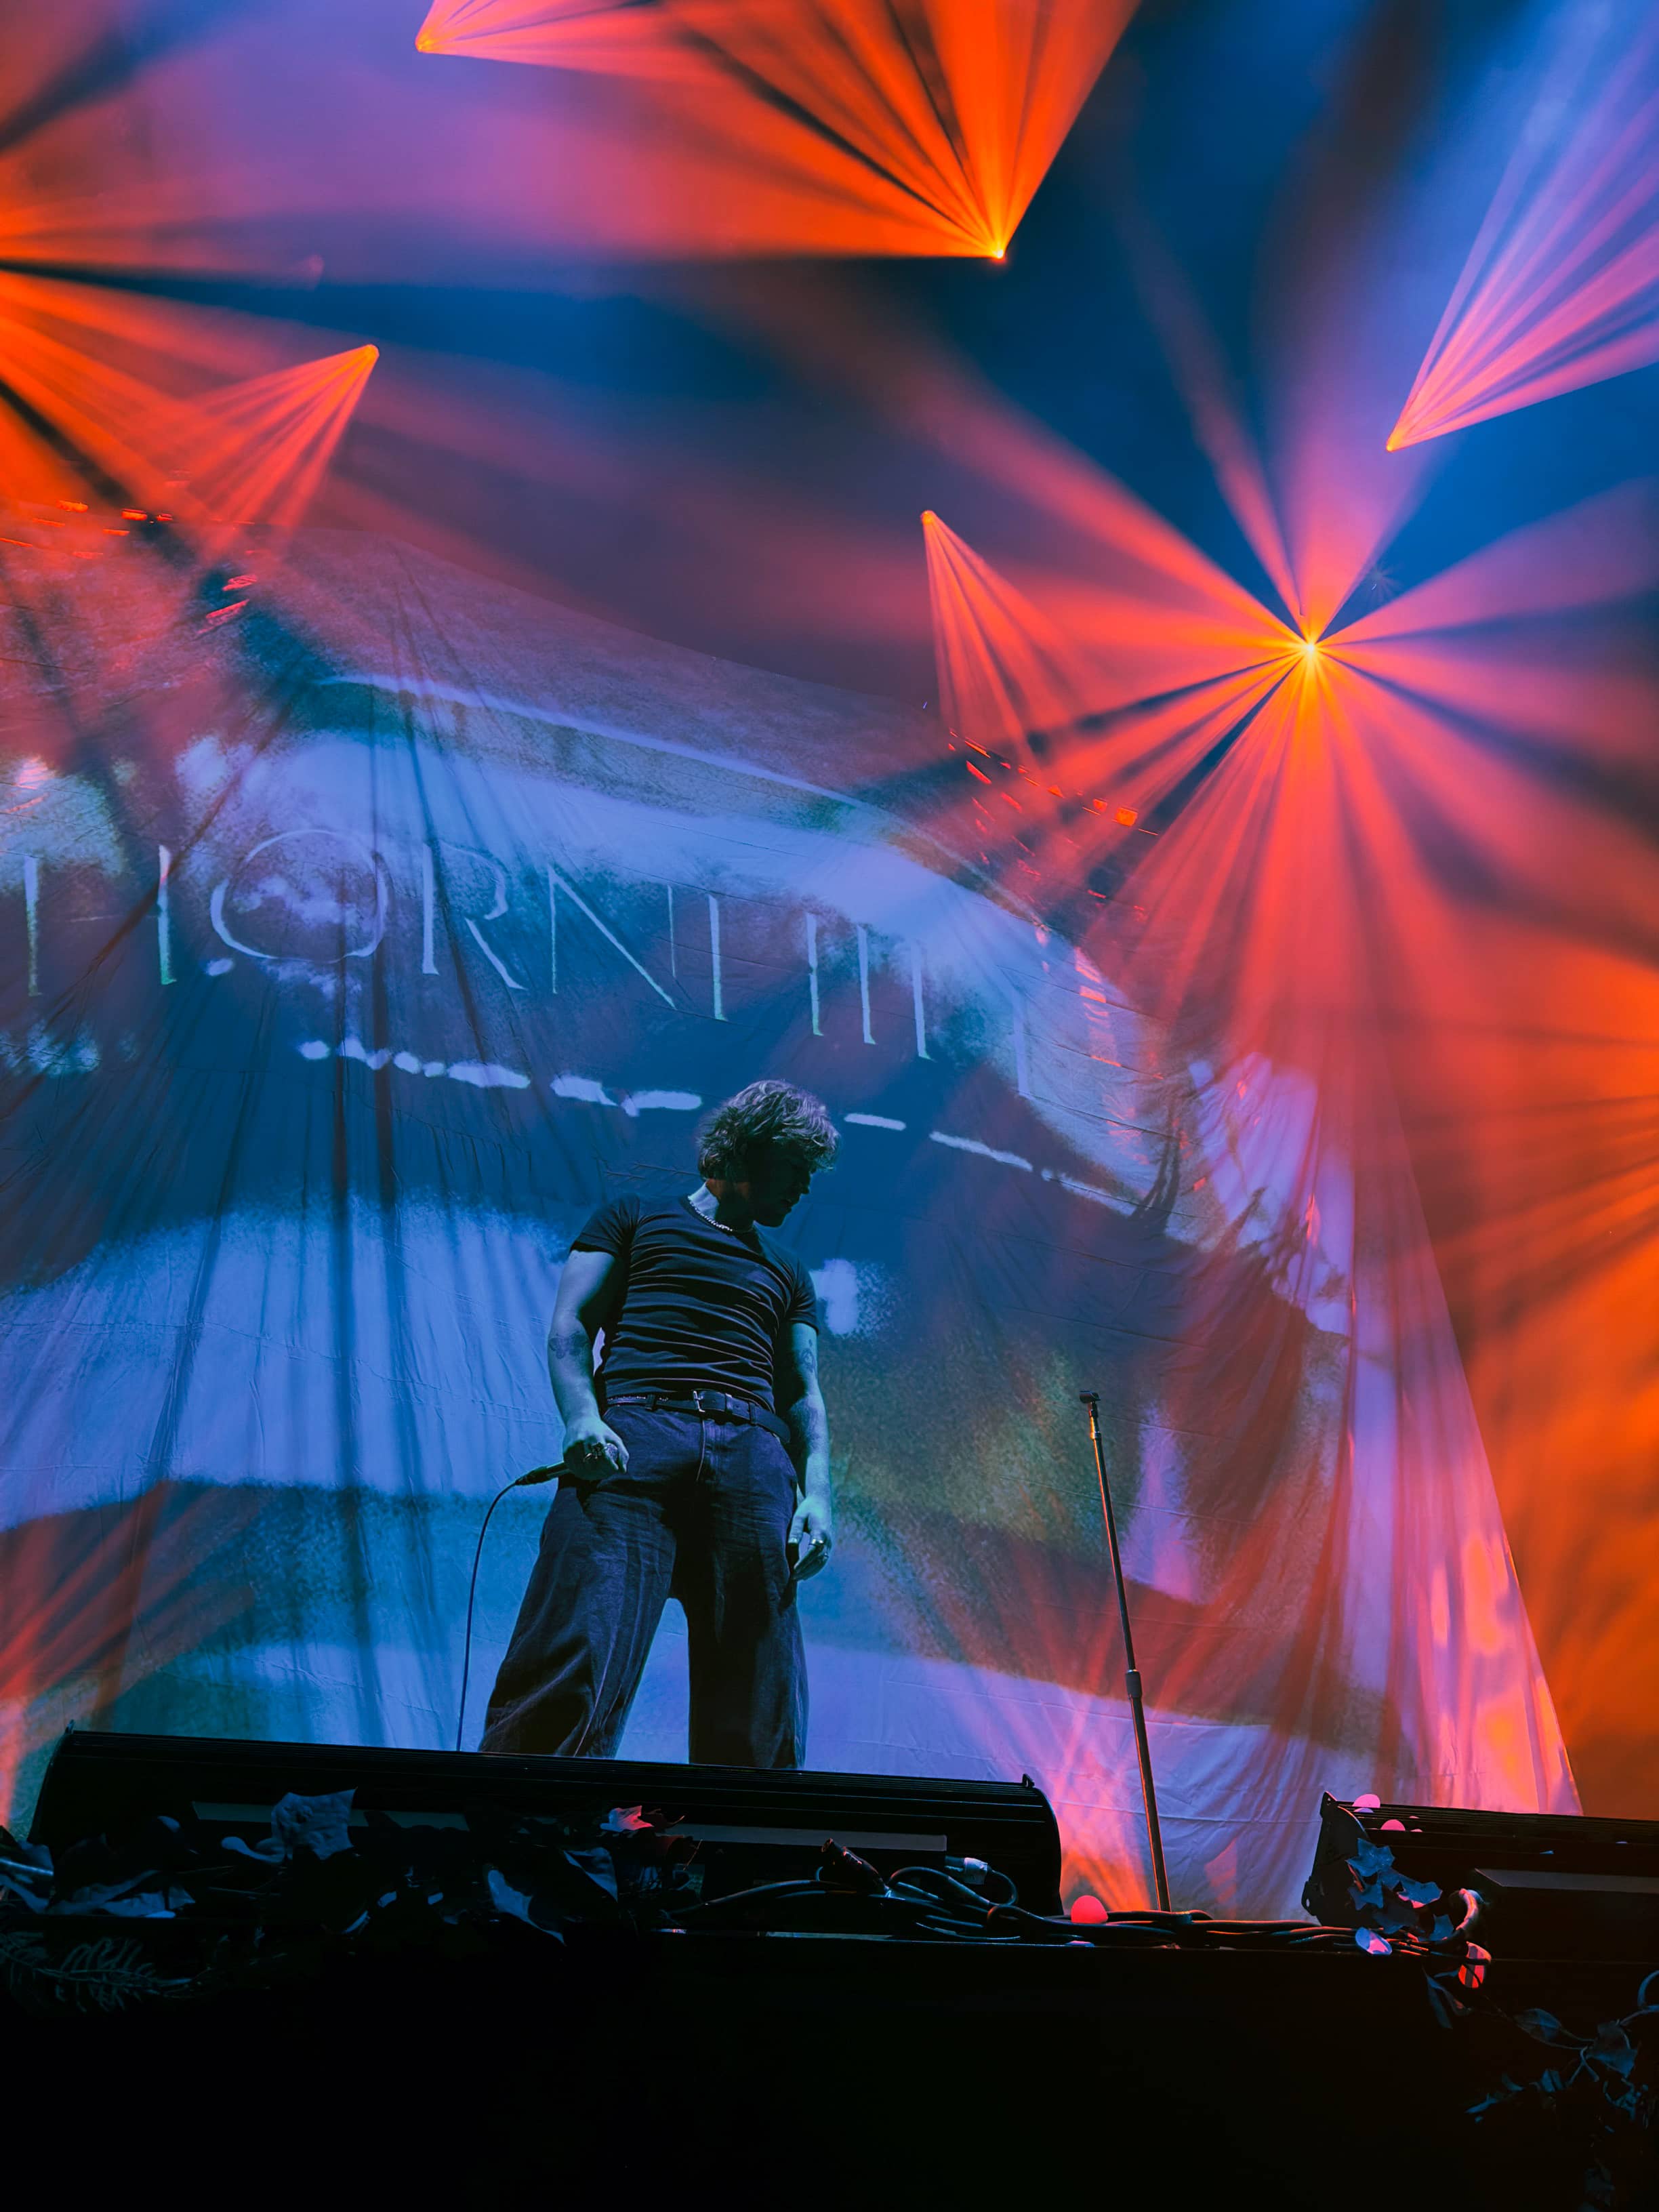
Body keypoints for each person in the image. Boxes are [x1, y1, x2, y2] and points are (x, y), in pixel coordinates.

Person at [480, 1079, 838, 1767]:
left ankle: (743, 1835)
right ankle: (526, 1822)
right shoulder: (634, 1218)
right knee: (580, 1638)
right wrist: (581, 1418)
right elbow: (571, 1325)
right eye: (795, 1168)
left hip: (754, 1457)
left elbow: (802, 1392)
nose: (804, 1187)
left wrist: (817, 1494)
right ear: (751, 1151)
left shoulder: (788, 1272)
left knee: (758, 1681)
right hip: (637, 1437)